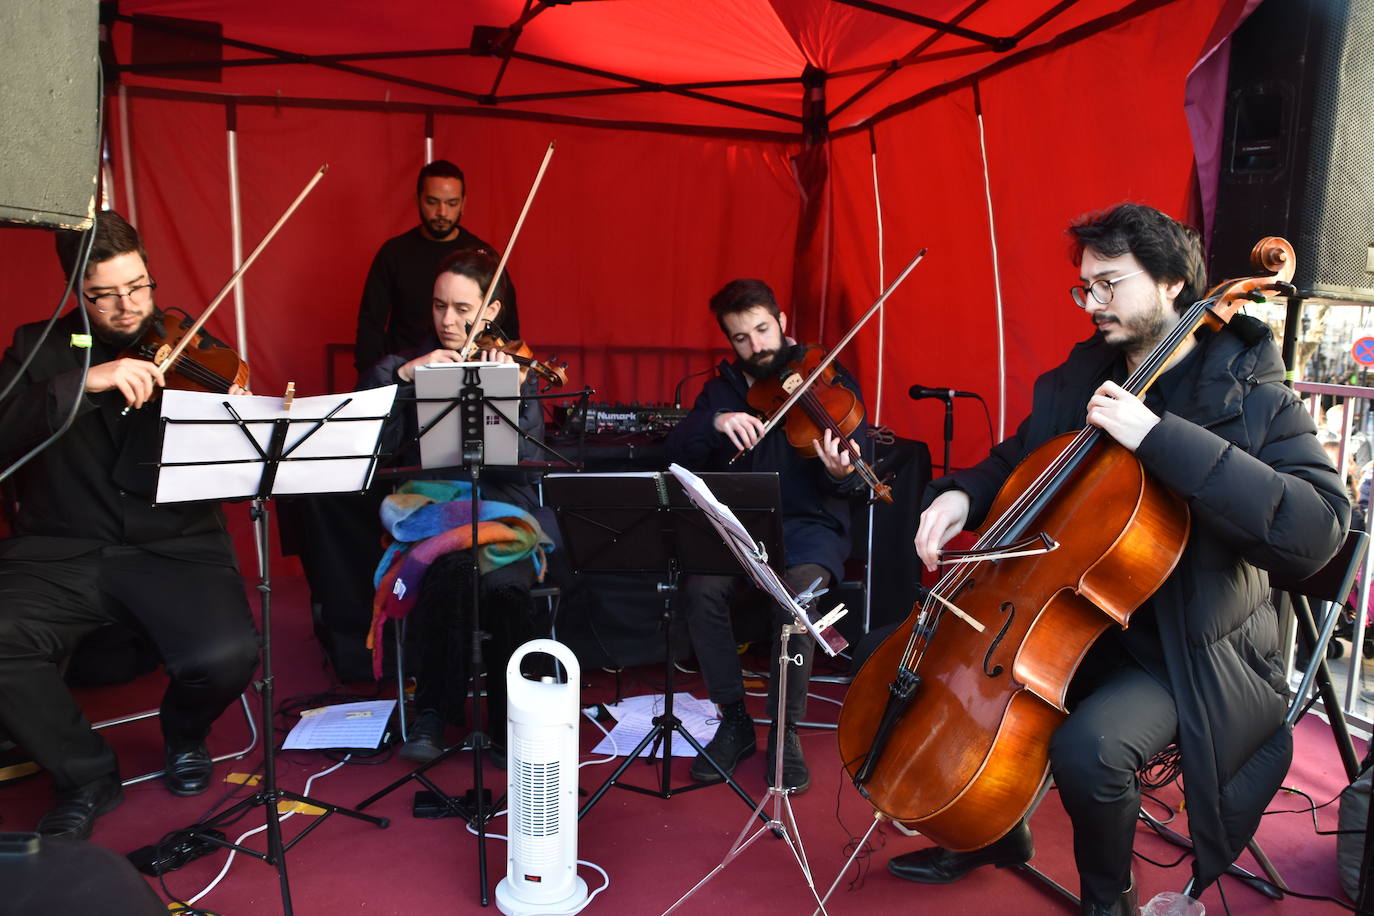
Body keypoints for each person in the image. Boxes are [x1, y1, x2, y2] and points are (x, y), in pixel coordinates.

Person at [885, 203, 1349, 914]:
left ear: (1171, 284)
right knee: (963, 686)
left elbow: (1317, 526)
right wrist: (960, 496)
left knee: (1090, 749)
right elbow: (1022, 457)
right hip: (1080, 613)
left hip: (1188, 645)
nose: (1092, 303)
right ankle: (992, 831)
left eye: (1109, 284)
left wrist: (1159, 436)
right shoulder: (1084, 376)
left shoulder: (1250, 389)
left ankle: (1109, 901)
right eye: (1085, 288)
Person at [0, 211, 260, 839]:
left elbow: (236, 469)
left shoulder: (194, 348)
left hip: (174, 544)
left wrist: (239, 426)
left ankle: (184, 734)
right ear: (74, 291)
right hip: (64, 547)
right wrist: (87, 380)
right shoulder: (37, 350)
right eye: (106, 295)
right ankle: (85, 773)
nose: (128, 307)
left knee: (229, 655)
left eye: (138, 286)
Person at [666, 278, 871, 793]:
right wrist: (716, 422)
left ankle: (786, 732)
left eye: (762, 330)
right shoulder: (722, 390)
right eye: (741, 338)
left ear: (781, 322)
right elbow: (677, 449)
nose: (756, 347)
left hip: (809, 530)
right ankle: (733, 721)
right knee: (701, 590)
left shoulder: (826, 375)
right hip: (742, 531)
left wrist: (839, 471)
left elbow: (851, 469)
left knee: (795, 599)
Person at [358, 247, 550, 765]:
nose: (447, 320)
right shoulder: (404, 368)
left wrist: (510, 396)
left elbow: (530, 464)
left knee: (507, 587)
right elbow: (366, 441)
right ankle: (433, 711)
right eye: (439, 306)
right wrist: (403, 381)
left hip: (501, 511)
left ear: (490, 312)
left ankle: (513, 716)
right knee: (448, 573)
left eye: (463, 310)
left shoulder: (517, 369)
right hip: (433, 510)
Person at [354, 159, 518, 375]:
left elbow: (508, 325)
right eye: (433, 202)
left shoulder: (482, 254)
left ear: (463, 203)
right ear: (418, 200)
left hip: (472, 372)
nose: (442, 212)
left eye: (451, 203)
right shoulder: (394, 252)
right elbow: (371, 325)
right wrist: (379, 377)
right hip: (408, 369)